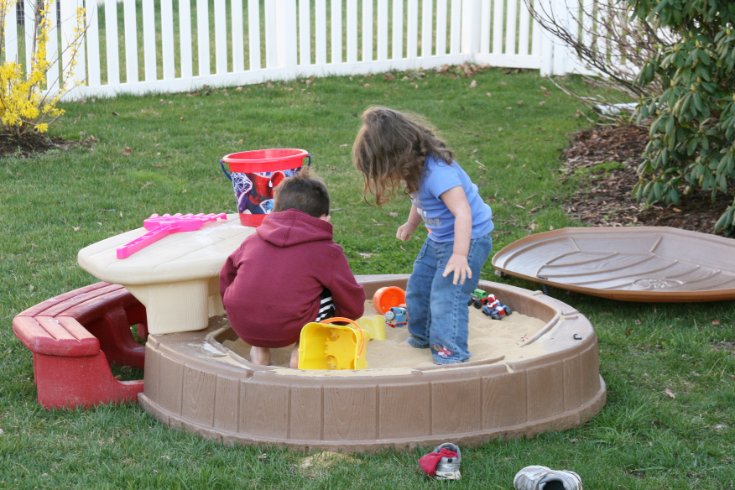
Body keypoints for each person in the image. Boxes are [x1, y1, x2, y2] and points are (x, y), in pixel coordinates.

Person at [353, 106, 493, 364]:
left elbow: (463, 212)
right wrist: (410, 225)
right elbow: (421, 201)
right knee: (419, 288)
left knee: (446, 296)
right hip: (439, 238)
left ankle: (451, 353)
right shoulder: (415, 169)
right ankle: (422, 338)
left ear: (396, 156)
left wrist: (461, 255)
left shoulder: (439, 173)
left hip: (468, 239)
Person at [220, 170, 365, 368]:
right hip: (288, 327)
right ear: (324, 218)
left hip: (243, 324)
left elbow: (227, 274)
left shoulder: (253, 240)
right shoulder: (327, 251)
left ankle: (259, 351)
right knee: (330, 294)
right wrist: (341, 321)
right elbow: (352, 301)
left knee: (257, 288)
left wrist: (232, 307)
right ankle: (301, 351)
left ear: (275, 211)